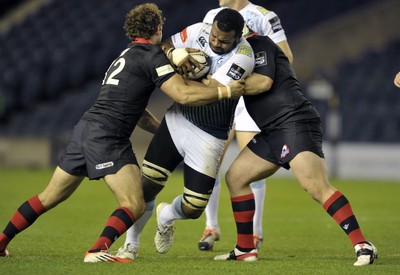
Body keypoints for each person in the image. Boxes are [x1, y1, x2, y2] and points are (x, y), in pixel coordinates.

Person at [0, 3, 245, 263]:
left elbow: (136, 110)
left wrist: (161, 130)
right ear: (158, 28)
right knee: (134, 203)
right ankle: (97, 250)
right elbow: (182, 94)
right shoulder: (152, 56)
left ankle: (1, 242)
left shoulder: (126, 54)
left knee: (47, 197)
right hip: (109, 137)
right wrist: (226, 91)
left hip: (85, 129)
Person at [213, 29, 378, 267]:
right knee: (236, 177)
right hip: (272, 130)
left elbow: (264, 81)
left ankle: (363, 245)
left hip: (294, 121)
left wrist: (222, 87)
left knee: (315, 186)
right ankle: (245, 248)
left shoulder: (259, 44)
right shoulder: (237, 53)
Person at [116, 8, 254, 259]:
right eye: (214, 37)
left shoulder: (244, 56)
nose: (215, 43)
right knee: (146, 186)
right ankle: (130, 245)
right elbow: (166, 45)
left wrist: (176, 75)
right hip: (176, 120)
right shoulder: (198, 30)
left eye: (223, 41)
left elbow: (212, 91)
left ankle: (166, 215)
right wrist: (174, 53)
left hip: (211, 133)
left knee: (194, 207)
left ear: (237, 38)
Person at [198, 0, 294, 251]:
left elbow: (286, 57)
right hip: (222, 96)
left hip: (248, 100)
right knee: (209, 162)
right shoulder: (213, 14)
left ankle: (255, 232)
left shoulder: (264, 16)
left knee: (251, 165)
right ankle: (211, 227)